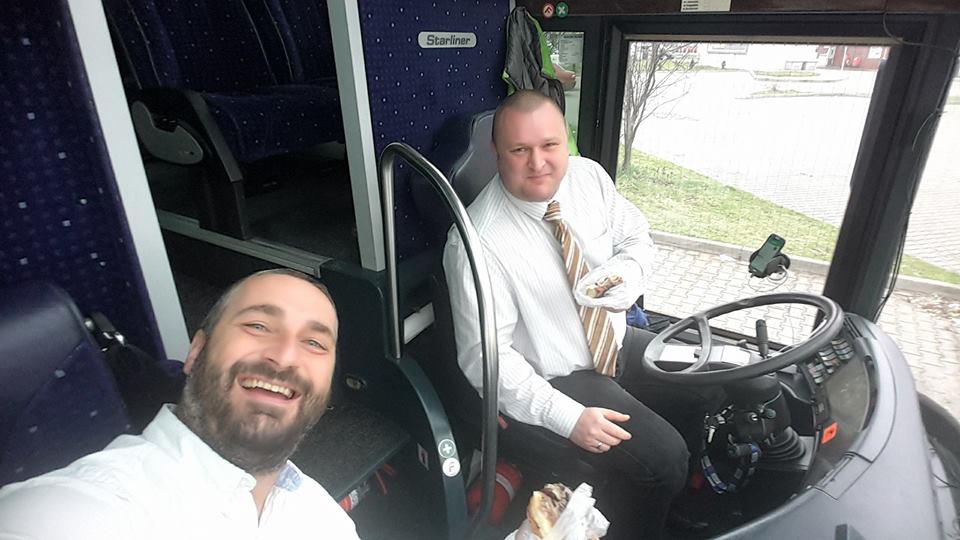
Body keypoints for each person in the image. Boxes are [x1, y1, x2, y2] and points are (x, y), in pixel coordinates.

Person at [443, 90, 722, 539]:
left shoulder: (589, 177)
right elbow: (487, 361)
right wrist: (568, 417)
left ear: (565, 139)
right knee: (665, 459)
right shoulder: (475, 244)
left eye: (550, 145)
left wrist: (629, 275)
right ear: (496, 153)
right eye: (520, 150)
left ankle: (665, 505)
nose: (539, 163)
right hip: (560, 374)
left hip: (613, 339)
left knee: (704, 384)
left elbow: (636, 237)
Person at [0, 269, 359, 539]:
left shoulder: (325, 516)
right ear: (196, 351)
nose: (284, 357)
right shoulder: (79, 510)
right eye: (258, 326)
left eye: (315, 343)